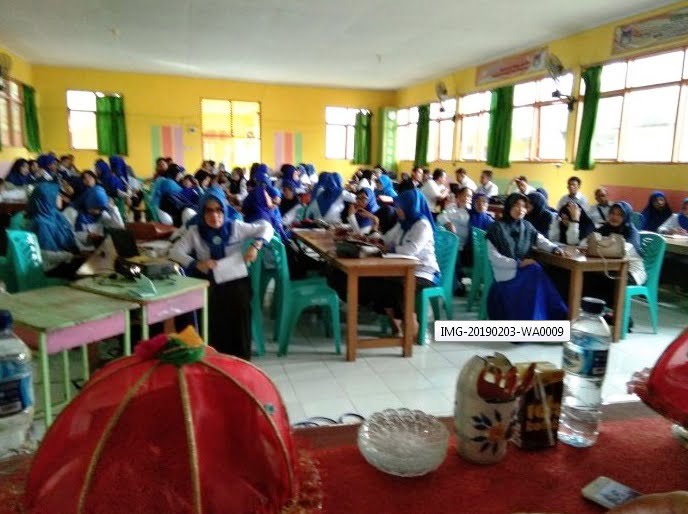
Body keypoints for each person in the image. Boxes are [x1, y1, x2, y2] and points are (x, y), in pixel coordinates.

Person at [169, 189, 274, 359]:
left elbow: (267, 227)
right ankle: (213, 355)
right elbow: (175, 251)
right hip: (208, 279)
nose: (214, 215)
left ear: (224, 210)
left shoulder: (235, 227)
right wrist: (197, 263)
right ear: (202, 212)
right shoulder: (195, 232)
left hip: (235, 278)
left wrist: (256, 246)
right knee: (206, 302)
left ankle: (239, 357)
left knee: (239, 302)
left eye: (219, 210)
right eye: (209, 210)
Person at [486, 193, 567, 321]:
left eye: (524, 206)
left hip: (523, 270)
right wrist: (517, 263)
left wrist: (554, 248)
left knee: (536, 270)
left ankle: (547, 317)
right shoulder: (496, 228)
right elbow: (495, 258)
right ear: (508, 206)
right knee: (535, 270)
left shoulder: (527, 226)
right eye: (516, 205)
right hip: (506, 273)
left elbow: (540, 240)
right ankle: (541, 318)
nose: (521, 209)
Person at [581, 201, 647, 313]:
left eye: (620, 215)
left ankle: (619, 317)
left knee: (611, 281)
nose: (615, 217)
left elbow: (623, 251)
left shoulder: (631, 232)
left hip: (631, 272)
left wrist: (598, 246)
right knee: (587, 277)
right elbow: (585, 242)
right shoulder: (605, 228)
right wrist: (589, 246)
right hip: (607, 268)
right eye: (612, 213)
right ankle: (593, 311)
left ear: (626, 216)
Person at [24, 182, 85, 278]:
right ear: (48, 198)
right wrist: (71, 256)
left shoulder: (56, 215)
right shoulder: (41, 222)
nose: (61, 197)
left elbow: (69, 235)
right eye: (58, 195)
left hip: (62, 260)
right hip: (51, 268)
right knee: (87, 269)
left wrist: (87, 237)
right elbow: (46, 255)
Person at [66, 184, 124, 250]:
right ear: (89, 202)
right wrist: (86, 236)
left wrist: (113, 208)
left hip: (95, 251)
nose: (98, 212)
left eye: (101, 208)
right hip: (76, 253)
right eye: (95, 208)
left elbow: (119, 226)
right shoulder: (72, 212)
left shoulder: (101, 214)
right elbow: (66, 235)